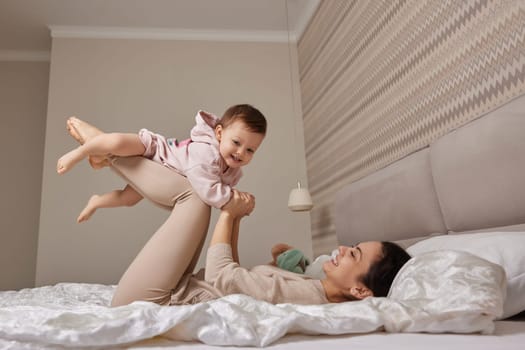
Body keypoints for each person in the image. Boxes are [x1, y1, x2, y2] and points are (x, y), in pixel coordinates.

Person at [64, 120, 410, 307]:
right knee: (196, 196)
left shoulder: (309, 297)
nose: (343, 250)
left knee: (197, 198)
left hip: (156, 301)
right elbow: (235, 281)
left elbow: (221, 277)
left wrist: (229, 214)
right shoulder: (311, 284)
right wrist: (237, 218)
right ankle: (108, 152)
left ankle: (108, 150)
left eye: (355, 254)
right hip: (177, 287)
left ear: (361, 291)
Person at [57, 104, 266, 222]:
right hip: (155, 151)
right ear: (219, 133)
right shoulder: (206, 153)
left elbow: (220, 193)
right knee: (116, 142)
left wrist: (237, 200)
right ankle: (80, 152)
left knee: (128, 199)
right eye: (236, 143)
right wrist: (233, 199)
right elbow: (209, 191)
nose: (240, 153)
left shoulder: (233, 172)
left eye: (250, 150)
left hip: (161, 173)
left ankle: (96, 201)